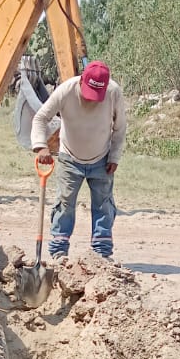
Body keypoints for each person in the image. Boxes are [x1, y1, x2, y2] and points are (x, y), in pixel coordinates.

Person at [31, 60, 126, 261]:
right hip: (69, 157)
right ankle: (59, 253)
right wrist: (41, 146)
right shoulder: (66, 90)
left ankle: (101, 256)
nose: (92, 100)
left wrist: (115, 156)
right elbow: (40, 118)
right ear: (82, 79)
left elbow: (119, 128)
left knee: (103, 205)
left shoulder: (113, 92)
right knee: (65, 204)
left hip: (102, 158)